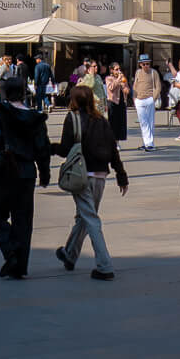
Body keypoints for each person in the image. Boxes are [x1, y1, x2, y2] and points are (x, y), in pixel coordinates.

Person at [0, 72, 51, 279]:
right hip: (26, 173)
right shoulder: (35, 118)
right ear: (24, 94)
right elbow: (42, 148)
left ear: (6, 94)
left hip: (4, 171)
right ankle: (20, 266)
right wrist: (44, 172)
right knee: (23, 221)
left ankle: (10, 250)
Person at [53, 81, 127, 280]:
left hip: (82, 175)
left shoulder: (72, 119)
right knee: (85, 216)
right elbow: (113, 149)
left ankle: (104, 266)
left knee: (91, 219)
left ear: (74, 101)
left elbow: (65, 149)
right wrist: (121, 175)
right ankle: (70, 254)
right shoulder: (102, 120)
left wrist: (48, 147)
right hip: (101, 176)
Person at [132, 55, 161, 149]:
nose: (146, 66)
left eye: (148, 64)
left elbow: (158, 86)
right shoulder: (138, 72)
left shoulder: (154, 73)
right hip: (139, 100)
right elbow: (135, 85)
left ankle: (149, 143)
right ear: (140, 64)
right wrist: (134, 98)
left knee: (150, 122)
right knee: (143, 122)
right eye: (144, 64)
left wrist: (153, 98)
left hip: (149, 99)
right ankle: (147, 143)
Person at [104, 60, 128, 143]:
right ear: (112, 70)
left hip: (121, 102)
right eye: (116, 69)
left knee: (120, 123)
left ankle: (117, 141)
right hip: (113, 102)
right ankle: (112, 141)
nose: (118, 71)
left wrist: (125, 88)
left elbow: (127, 89)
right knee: (112, 123)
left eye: (119, 69)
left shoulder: (122, 78)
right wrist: (118, 79)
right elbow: (111, 87)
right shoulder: (108, 78)